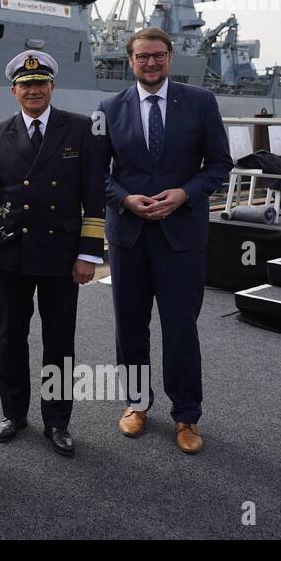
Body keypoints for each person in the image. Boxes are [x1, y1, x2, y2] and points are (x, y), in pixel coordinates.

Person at [98, 27, 233, 454]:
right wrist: (124, 198)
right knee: (130, 328)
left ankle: (187, 416)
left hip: (181, 235)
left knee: (180, 329)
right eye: (142, 57)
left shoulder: (200, 102)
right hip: (129, 236)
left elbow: (219, 165)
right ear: (130, 61)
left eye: (158, 56)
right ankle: (136, 404)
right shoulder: (108, 108)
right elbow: (98, 173)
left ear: (170, 57)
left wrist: (184, 193)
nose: (150, 63)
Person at [0, 50, 105, 457]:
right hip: (13, 252)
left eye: (41, 83)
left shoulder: (81, 129)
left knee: (59, 340)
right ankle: (13, 413)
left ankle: (57, 420)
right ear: (13, 90)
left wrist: (89, 255)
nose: (34, 90)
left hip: (61, 255)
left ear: (51, 87)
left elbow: (94, 197)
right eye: (26, 85)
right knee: (12, 338)